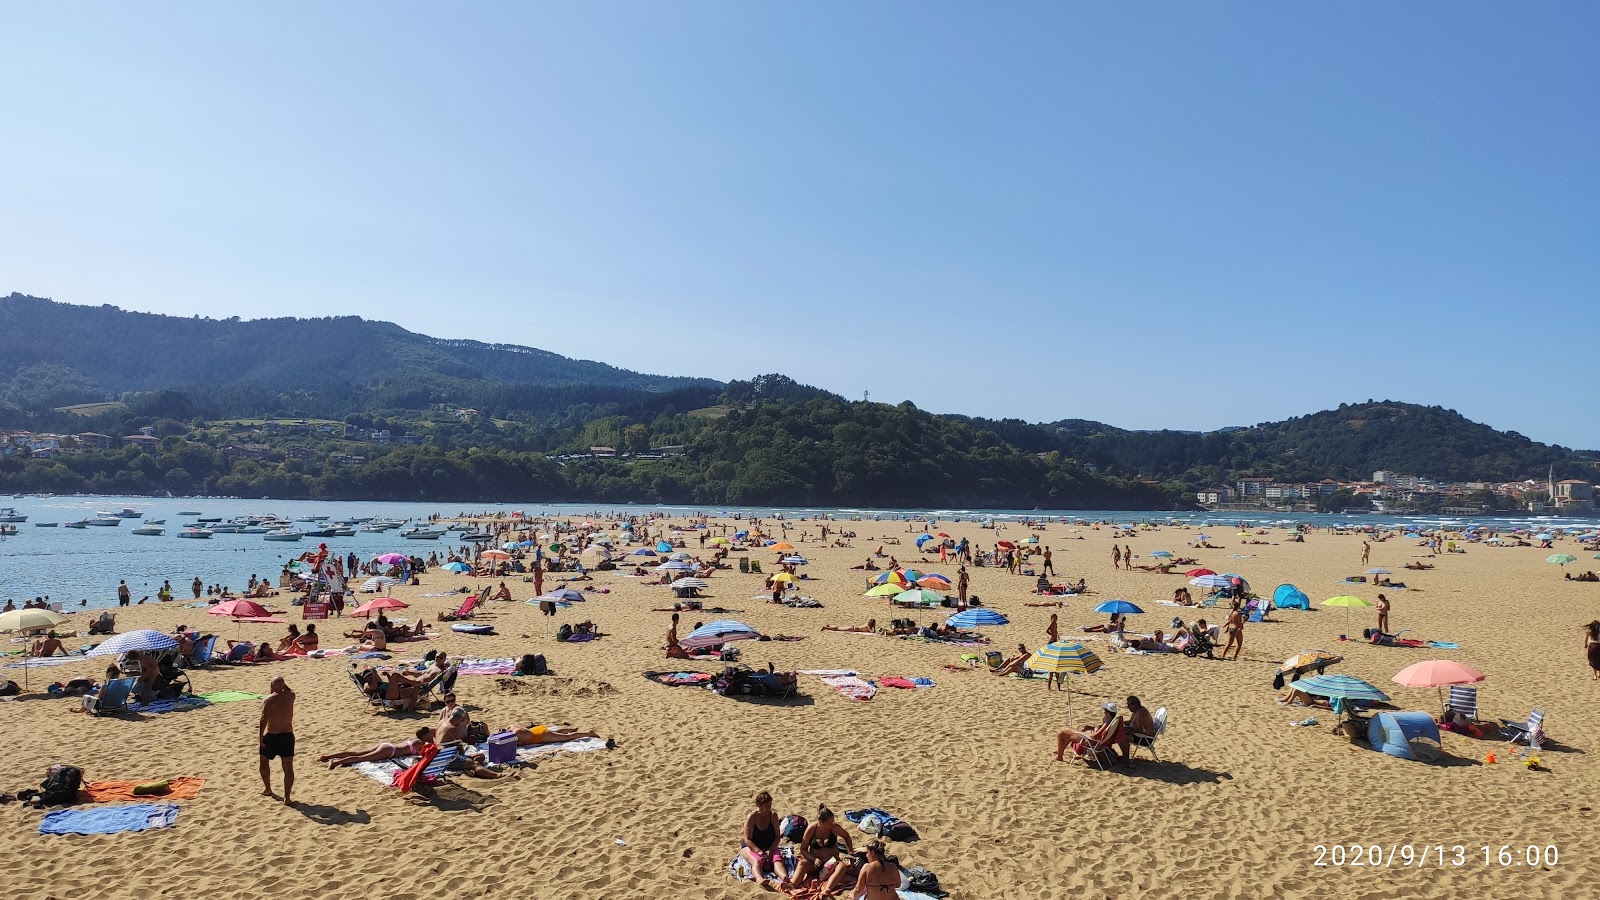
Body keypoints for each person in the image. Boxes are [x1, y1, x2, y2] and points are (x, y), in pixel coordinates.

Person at [791, 804, 855, 886]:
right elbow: (803, 849)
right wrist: (813, 859)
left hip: (832, 863)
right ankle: (792, 884)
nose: (832, 824)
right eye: (829, 823)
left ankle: (828, 888)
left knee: (842, 867)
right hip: (816, 864)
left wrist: (851, 852)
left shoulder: (834, 827)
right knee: (802, 864)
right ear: (820, 822)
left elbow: (846, 836)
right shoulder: (811, 829)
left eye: (832, 821)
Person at [739, 790, 788, 890]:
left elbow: (777, 837)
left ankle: (784, 878)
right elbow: (747, 839)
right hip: (752, 846)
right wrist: (759, 851)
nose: (769, 808)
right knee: (757, 861)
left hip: (769, 846)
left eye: (770, 805)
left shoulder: (773, 816)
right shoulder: (751, 817)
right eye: (766, 806)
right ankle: (759, 878)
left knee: (777, 860)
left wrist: (771, 849)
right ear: (759, 805)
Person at [319, 727, 432, 768]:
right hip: (390, 751)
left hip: (387, 745)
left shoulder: (414, 739)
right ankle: (334, 763)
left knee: (357, 753)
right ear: (425, 735)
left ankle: (328, 756)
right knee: (361, 758)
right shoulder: (421, 744)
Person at [259, 677, 296, 803]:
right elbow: (289, 690)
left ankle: (268, 788)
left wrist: (260, 737)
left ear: (272, 685)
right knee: (288, 767)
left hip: (273, 735)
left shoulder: (268, 700)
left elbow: (263, 719)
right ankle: (287, 797)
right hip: (287, 735)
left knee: (264, 761)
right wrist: (282, 686)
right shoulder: (291, 696)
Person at [1056, 702, 1124, 763]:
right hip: (1094, 740)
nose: (1104, 712)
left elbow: (1095, 736)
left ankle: (1059, 757)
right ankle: (1060, 751)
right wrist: (1094, 728)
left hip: (1089, 740)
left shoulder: (1107, 723)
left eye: (1105, 711)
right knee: (1067, 729)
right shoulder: (1112, 722)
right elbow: (1101, 734)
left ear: (1108, 713)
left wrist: (1086, 733)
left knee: (1061, 734)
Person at [511, 723, 612, 747]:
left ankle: (588, 733)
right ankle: (571, 729)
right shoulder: (512, 727)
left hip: (539, 736)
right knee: (557, 732)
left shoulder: (515, 735)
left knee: (566, 737)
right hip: (538, 730)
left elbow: (520, 743)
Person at [1123, 695, 1156, 761]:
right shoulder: (1136, 711)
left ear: (1135, 704)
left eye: (1129, 705)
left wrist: (1128, 730)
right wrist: (1120, 724)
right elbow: (1130, 722)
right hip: (1139, 735)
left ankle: (1125, 759)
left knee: (1123, 737)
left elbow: (1139, 729)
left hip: (1145, 738)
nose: (1128, 707)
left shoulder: (1142, 713)